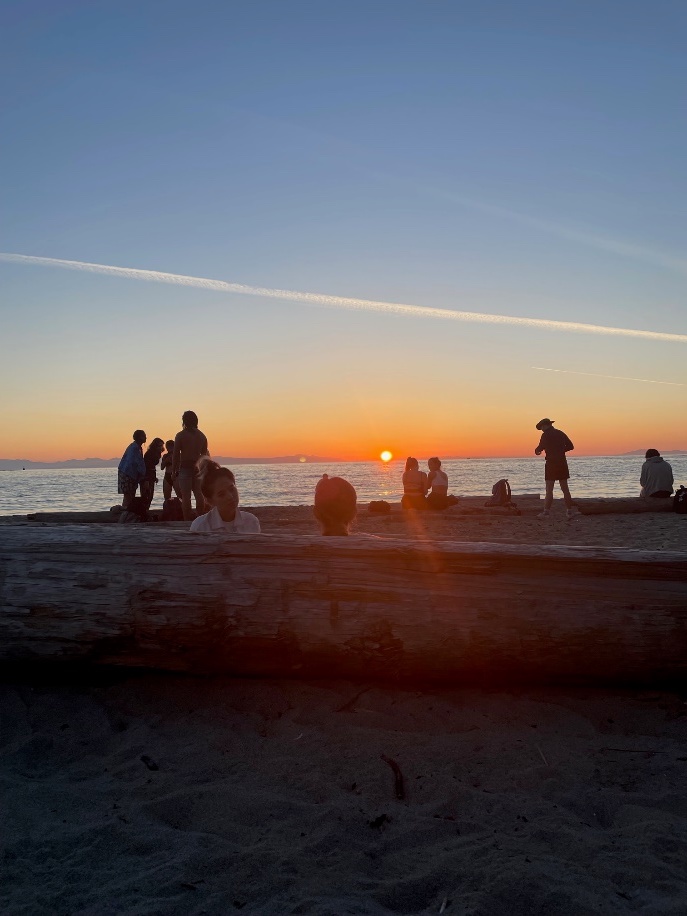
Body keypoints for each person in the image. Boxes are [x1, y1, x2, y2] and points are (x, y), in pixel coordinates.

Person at [190, 459, 261, 533]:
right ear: (210, 501)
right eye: (221, 494)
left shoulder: (251, 522)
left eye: (232, 489)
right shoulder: (200, 527)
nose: (230, 496)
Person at [534, 418, 576, 519]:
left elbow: (540, 448)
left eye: (542, 427)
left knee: (549, 489)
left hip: (551, 463)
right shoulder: (560, 433)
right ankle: (569, 512)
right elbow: (571, 446)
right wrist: (561, 451)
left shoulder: (545, 435)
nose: (542, 430)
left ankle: (546, 512)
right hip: (562, 463)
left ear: (545, 426)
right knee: (565, 489)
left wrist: (537, 451)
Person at [172, 410, 210, 520]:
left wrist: (174, 471)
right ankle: (200, 517)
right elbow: (204, 455)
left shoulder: (180, 435)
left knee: (186, 496)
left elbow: (175, 455)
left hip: (185, 467)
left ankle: (187, 519)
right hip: (197, 468)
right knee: (198, 493)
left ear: (184, 421)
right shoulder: (202, 436)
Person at [117, 430, 147, 510]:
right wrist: (143, 474)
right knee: (128, 495)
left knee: (129, 495)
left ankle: (126, 511)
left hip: (128, 474)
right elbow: (136, 463)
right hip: (127, 474)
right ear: (138, 437)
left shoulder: (137, 447)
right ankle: (125, 512)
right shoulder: (134, 448)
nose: (145, 437)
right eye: (143, 436)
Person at [140, 437, 165, 509]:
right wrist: (146, 479)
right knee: (147, 496)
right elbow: (147, 467)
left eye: (161, 446)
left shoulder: (157, 453)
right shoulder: (149, 454)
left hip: (151, 475)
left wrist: (154, 477)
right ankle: (144, 511)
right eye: (159, 446)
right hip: (147, 476)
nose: (160, 447)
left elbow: (152, 468)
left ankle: (146, 510)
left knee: (150, 496)